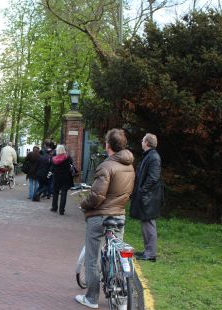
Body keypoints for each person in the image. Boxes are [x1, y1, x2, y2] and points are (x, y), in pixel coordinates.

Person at [75, 128, 135, 309]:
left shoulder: (106, 166)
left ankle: (92, 298)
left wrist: (84, 204)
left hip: (100, 217)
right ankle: (122, 298)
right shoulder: (130, 166)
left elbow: (97, 196)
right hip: (119, 215)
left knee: (92, 258)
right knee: (116, 253)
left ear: (107, 144)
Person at [130, 133, 164, 262]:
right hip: (147, 195)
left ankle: (150, 254)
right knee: (146, 223)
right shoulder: (149, 156)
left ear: (147, 143)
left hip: (149, 197)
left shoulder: (153, 157)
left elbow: (153, 177)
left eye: (143, 139)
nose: (141, 141)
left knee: (149, 223)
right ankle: (148, 251)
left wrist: (142, 190)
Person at [50, 144, 74, 215]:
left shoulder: (54, 159)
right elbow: (71, 166)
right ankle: (61, 210)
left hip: (57, 178)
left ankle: (54, 208)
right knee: (64, 194)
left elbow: (52, 169)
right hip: (65, 177)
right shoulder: (68, 158)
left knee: (55, 193)